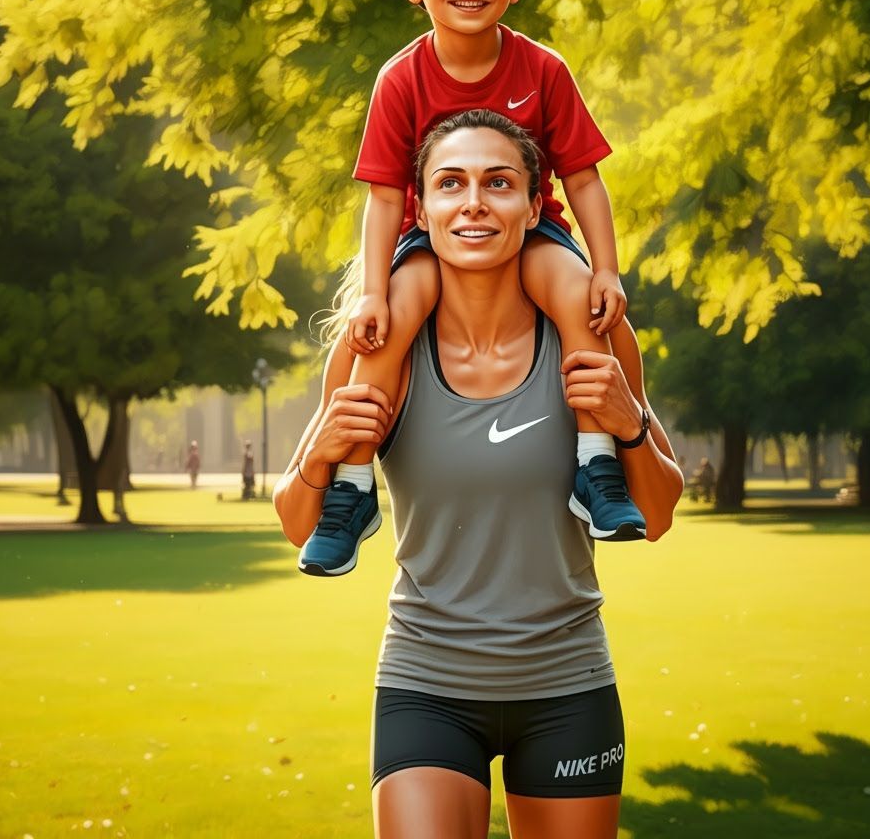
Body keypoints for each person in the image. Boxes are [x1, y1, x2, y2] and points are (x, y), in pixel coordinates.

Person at [273, 111, 683, 838]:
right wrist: (317, 452)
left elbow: (655, 515)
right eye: (449, 184)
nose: (473, 203)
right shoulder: (376, 347)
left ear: (533, 207)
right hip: (425, 686)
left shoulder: (591, 327)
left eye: (498, 183)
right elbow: (299, 521)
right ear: (420, 209)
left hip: (568, 686)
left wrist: (629, 423)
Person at [299, 0, 648, 577]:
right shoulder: (401, 79)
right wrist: (370, 289)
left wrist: (606, 266)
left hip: (531, 232)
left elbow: (582, 176)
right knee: (392, 317)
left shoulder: (542, 69)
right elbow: (387, 198)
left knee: (578, 293)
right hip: (428, 241)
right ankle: (352, 488)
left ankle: (597, 465)